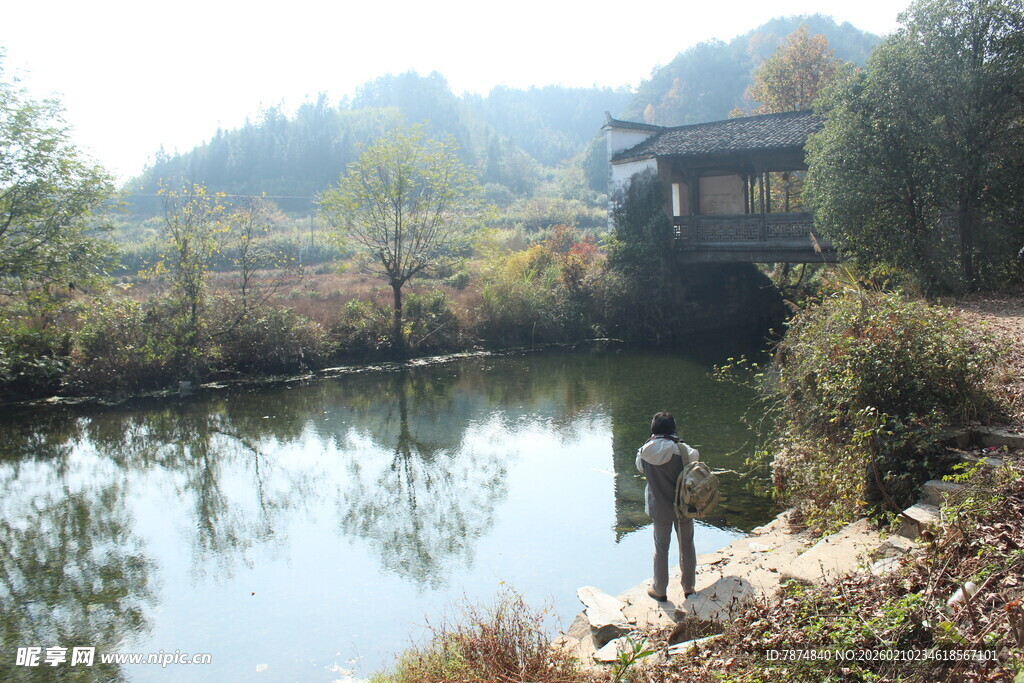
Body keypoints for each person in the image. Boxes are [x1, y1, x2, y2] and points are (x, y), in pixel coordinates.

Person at [635, 411, 697, 603]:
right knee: (686, 546)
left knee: (661, 548)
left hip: (658, 507)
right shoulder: (682, 450)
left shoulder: (644, 451)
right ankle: (689, 588)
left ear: (653, 429)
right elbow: (695, 460)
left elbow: (639, 467)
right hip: (683, 506)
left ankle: (659, 589)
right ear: (673, 428)